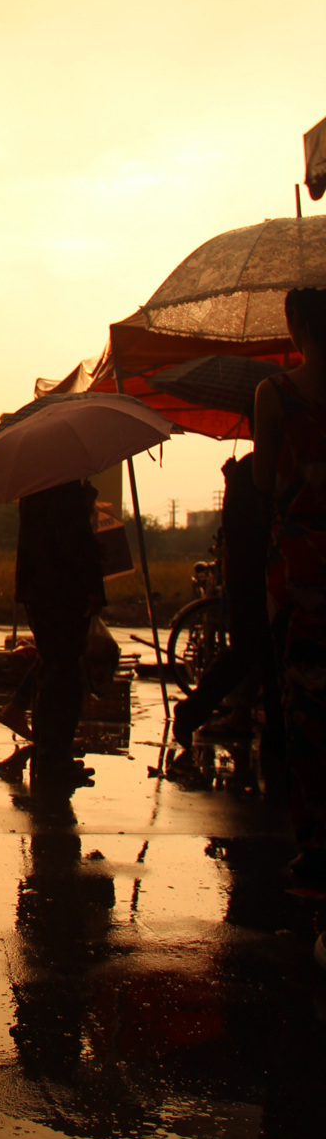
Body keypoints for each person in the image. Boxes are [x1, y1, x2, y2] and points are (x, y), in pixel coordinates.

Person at [254, 287, 326, 896]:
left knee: (303, 702)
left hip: (299, 565)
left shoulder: (275, 392)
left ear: (297, 323)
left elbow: (262, 480)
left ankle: (315, 839)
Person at [171, 451, 279, 753]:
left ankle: (273, 737)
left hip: (252, 578)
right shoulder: (259, 472)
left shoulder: (249, 471)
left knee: (258, 655)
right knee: (257, 653)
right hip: (257, 578)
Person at [12, 478, 105, 792]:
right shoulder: (63, 489)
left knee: (52, 670)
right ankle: (54, 758)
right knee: (63, 677)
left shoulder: (36, 486)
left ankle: (48, 753)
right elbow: (76, 543)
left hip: (38, 590)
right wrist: (94, 587)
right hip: (62, 592)